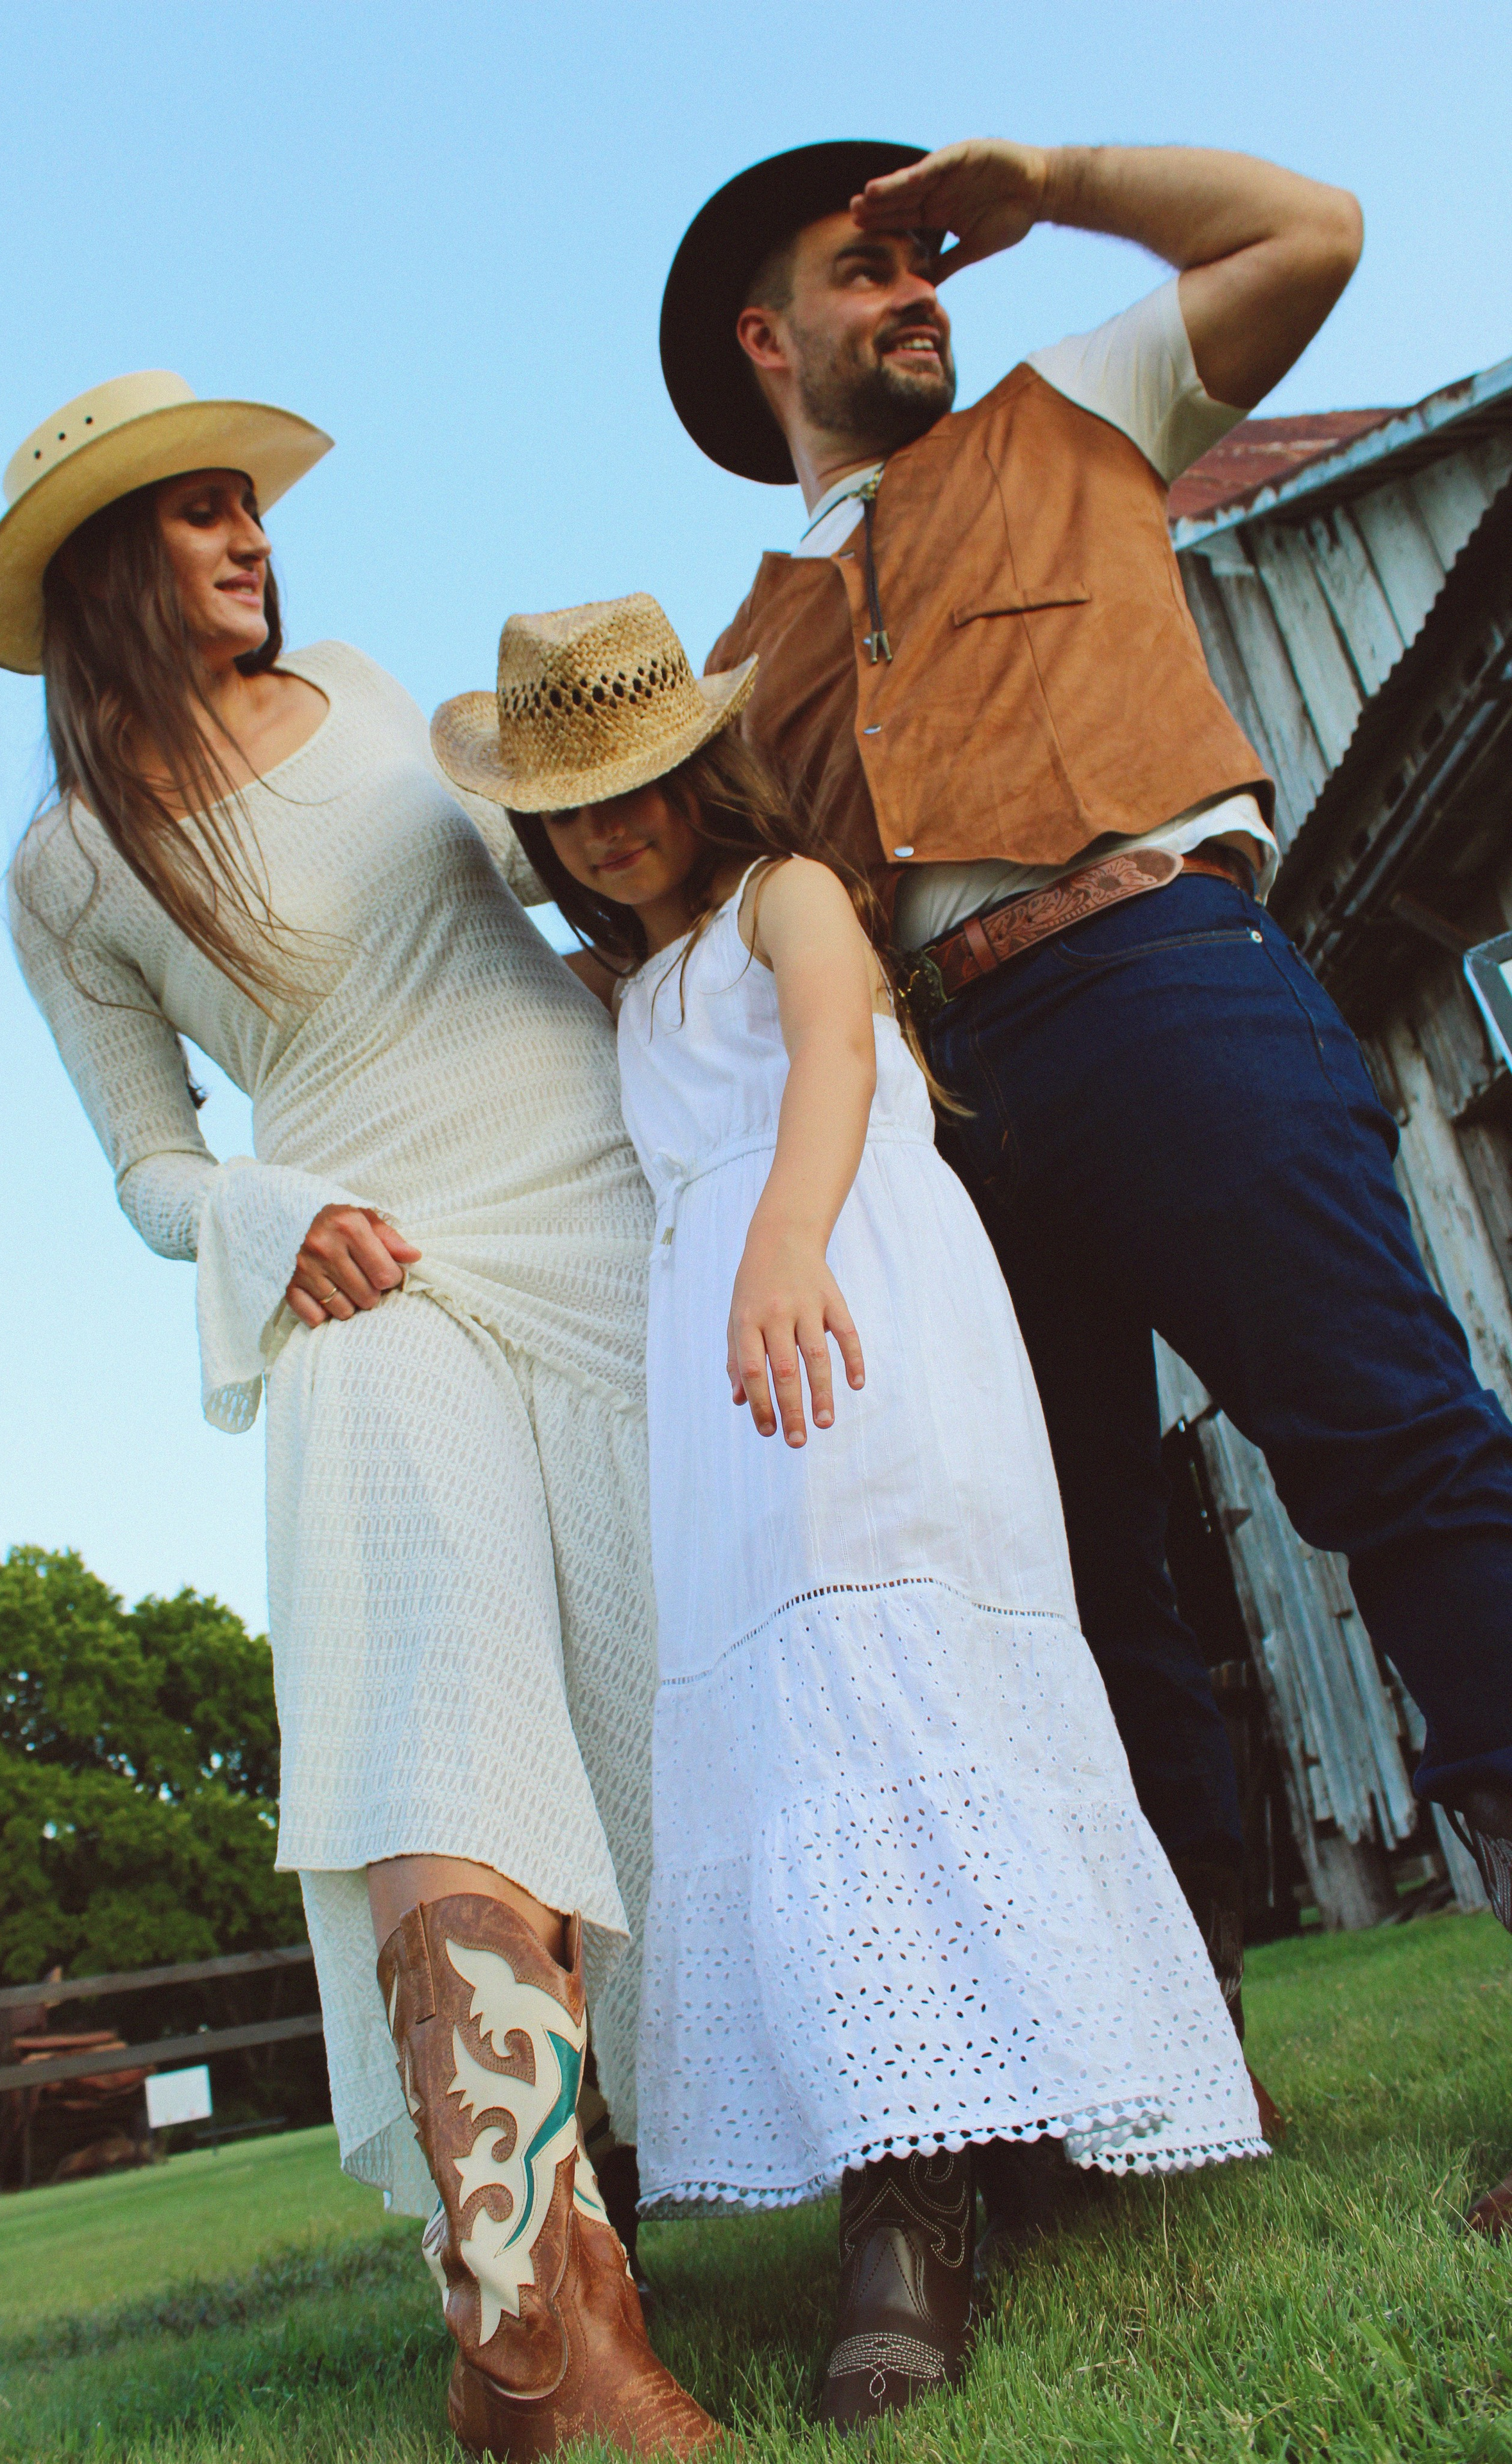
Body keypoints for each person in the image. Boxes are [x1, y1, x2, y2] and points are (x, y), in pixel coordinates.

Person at [658, 140, 1512, 2149]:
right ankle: (1166, 2065)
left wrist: (1052, 182)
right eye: (868, 273)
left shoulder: (1082, 407)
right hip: (938, 1117)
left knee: (1389, 1443)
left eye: (924, 263)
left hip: (1158, 973)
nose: (919, 291)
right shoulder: (739, 655)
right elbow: (656, 912)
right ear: (771, 340)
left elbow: (1318, 229)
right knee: (1069, 1581)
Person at [0, 373, 717, 2460]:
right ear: (105, 564)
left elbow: (570, 882)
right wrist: (265, 1214)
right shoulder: (65, 867)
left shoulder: (380, 687)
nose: (246, 538)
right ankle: (540, 2332)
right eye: (196, 515)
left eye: (245, 507)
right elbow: (143, 1161)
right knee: (428, 1668)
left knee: (684, 1675)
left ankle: (875, 2145)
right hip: (361, 1253)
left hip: (587, 1198)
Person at [431, 592, 1266, 2431]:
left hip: (854, 1296)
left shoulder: (783, 899)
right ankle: (942, 2122)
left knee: (897, 1671)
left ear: (699, 764)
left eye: (636, 781)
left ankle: (928, 2209)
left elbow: (830, 1061)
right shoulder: (629, 989)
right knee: (801, 1728)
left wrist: (790, 1238)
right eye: (569, 807)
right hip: (722, 1377)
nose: (608, 827)